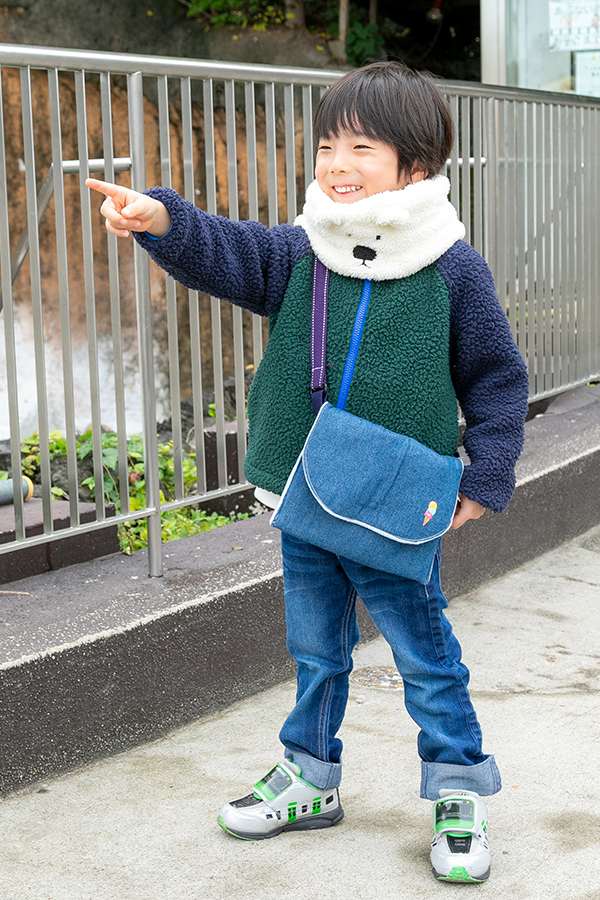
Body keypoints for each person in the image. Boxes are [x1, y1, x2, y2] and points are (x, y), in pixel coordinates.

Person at [87, 61, 529, 883]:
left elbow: (498, 377)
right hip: (308, 491)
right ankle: (309, 778)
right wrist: (161, 218)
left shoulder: (450, 267)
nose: (336, 162)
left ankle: (459, 793)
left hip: (398, 504)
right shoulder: (305, 251)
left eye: (362, 145)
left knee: (424, 653)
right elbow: (229, 250)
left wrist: (485, 477)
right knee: (316, 650)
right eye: (328, 143)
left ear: (417, 165)